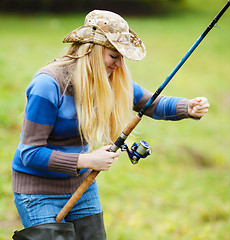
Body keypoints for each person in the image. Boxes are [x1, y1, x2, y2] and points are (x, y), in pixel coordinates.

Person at [12, 10, 210, 239]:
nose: (119, 64)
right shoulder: (48, 85)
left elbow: (151, 104)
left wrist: (187, 107)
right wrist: (87, 160)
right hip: (38, 193)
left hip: (81, 187)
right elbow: (30, 152)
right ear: (91, 50)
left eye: (122, 57)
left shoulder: (109, 79)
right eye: (114, 55)